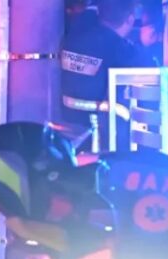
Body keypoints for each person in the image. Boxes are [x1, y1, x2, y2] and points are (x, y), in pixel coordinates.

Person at [60, 0, 156, 151]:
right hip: (99, 123)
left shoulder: (76, 36)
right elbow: (150, 68)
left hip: (69, 115)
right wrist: (146, 43)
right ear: (130, 19)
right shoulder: (119, 49)